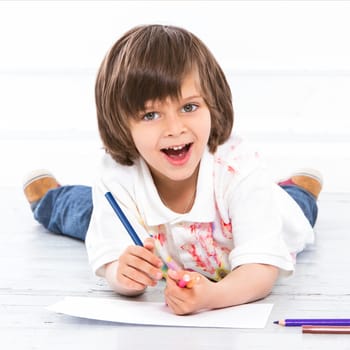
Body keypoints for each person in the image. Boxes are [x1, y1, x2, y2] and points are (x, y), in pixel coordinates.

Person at [23, 24, 323, 315]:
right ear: (121, 125)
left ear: (213, 106)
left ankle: (300, 187)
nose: (174, 128)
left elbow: (261, 270)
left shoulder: (239, 172)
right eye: (151, 114)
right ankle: (51, 198)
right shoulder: (117, 177)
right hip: (145, 220)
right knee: (86, 216)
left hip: (271, 213)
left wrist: (213, 296)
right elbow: (111, 260)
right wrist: (122, 274)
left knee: (296, 208)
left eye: (189, 107)